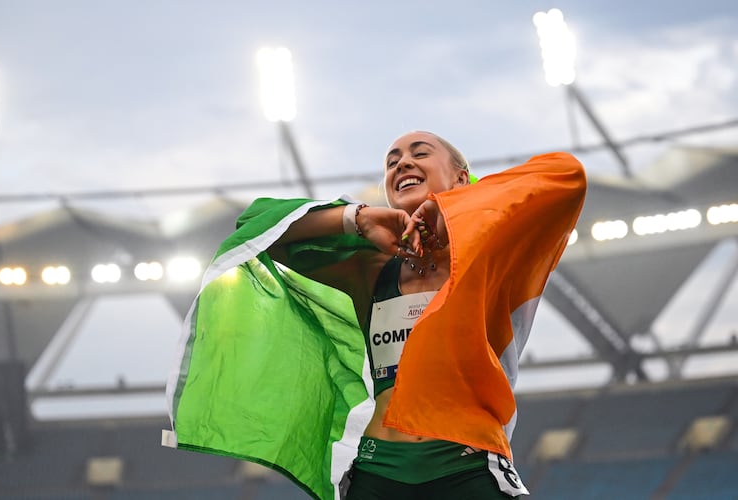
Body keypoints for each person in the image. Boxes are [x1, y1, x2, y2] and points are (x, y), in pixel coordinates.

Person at [165, 130, 586, 500]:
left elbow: (566, 175)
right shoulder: (370, 268)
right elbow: (257, 230)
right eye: (392, 161)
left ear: (461, 177)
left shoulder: (492, 256)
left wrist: (454, 211)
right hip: (377, 471)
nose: (403, 161)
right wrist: (357, 219)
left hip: (466, 463)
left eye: (420, 153)